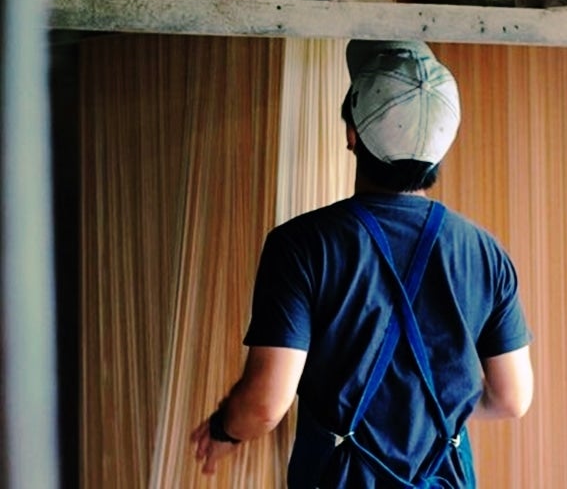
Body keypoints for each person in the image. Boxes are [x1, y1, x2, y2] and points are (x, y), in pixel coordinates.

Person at [190, 39, 534, 488]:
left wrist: (223, 429)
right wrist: (424, 417)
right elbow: (512, 398)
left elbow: (265, 404)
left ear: (352, 133)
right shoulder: (486, 254)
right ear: (440, 149)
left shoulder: (301, 246)